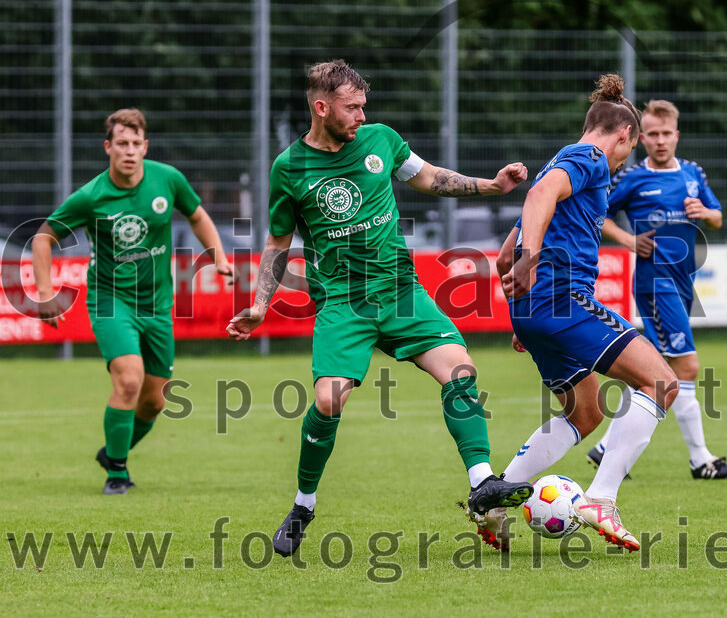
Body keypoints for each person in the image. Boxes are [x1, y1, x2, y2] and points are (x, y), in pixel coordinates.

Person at [225, 59, 533, 557]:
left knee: (461, 371)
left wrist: (493, 186)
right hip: (343, 304)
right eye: (352, 108)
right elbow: (278, 243)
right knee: (328, 401)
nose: (362, 117)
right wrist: (262, 302)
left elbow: (431, 178)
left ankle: (482, 484)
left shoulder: (382, 141)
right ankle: (304, 505)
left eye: (364, 106)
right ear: (321, 108)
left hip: (400, 292)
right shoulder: (289, 169)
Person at [486, 74, 680, 552]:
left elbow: (504, 258)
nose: (621, 162)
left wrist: (524, 312)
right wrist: (533, 268)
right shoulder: (589, 157)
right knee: (662, 383)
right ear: (624, 136)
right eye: (626, 152)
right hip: (563, 301)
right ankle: (602, 499)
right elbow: (534, 202)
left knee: (586, 411)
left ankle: (492, 500)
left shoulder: (562, 164)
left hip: (538, 310)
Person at [32, 108, 234, 495]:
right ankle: (118, 473)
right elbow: (43, 238)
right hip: (111, 302)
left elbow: (197, 216)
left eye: (135, 144)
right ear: (108, 147)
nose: (129, 151)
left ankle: (113, 451)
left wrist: (220, 257)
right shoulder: (92, 196)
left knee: (154, 402)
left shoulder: (167, 179)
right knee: (128, 380)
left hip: (157, 305)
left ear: (146, 147)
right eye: (121, 144)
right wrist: (44, 292)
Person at [586, 99, 727, 480]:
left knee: (657, 371)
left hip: (684, 280)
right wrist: (627, 239)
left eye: (665, 133)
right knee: (686, 365)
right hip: (656, 284)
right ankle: (700, 459)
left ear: (676, 135)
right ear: (640, 138)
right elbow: (596, 212)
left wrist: (706, 214)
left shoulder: (692, 173)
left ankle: (606, 447)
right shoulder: (634, 177)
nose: (659, 141)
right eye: (651, 135)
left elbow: (719, 217)